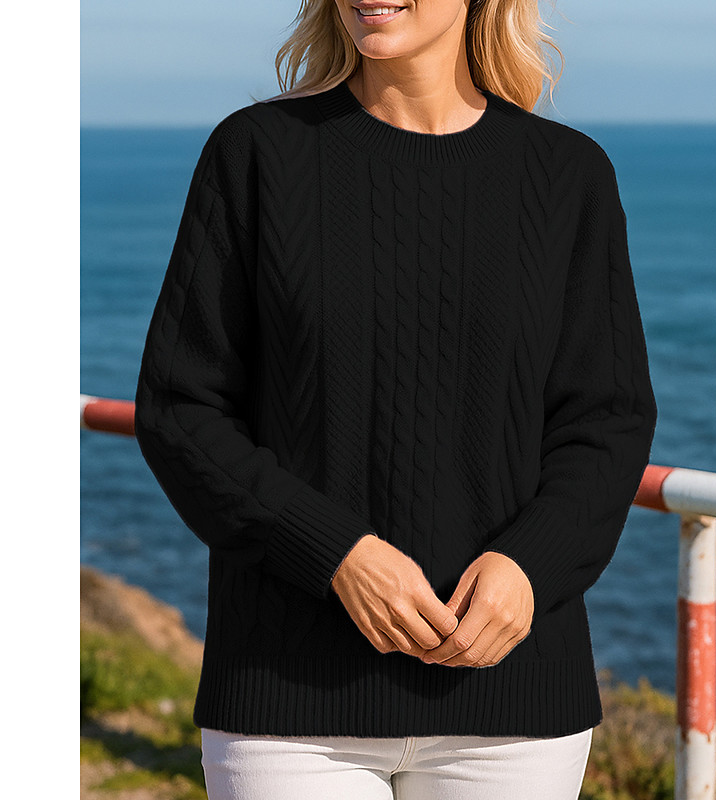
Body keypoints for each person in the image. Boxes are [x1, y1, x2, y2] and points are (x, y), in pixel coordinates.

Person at [134, 0, 658, 797]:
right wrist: (335, 554)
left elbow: (607, 420)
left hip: (513, 707)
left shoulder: (569, 174)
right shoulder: (257, 152)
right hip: (290, 701)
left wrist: (529, 567)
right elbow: (181, 407)